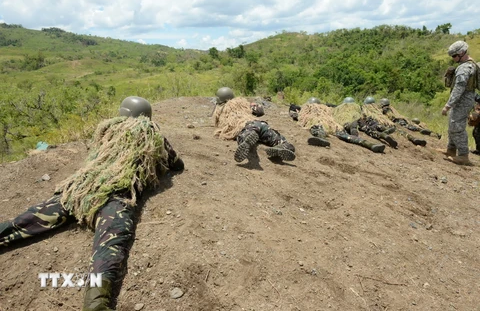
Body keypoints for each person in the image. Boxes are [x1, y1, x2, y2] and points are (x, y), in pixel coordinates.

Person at [0, 96, 184, 310]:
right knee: (110, 247)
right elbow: (176, 163)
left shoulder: (106, 130)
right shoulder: (151, 133)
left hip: (81, 189)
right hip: (115, 197)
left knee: (30, 218)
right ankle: (96, 304)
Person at [213, 87, 296, 162]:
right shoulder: (242, 103)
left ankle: (247, 141)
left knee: (245, 135)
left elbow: (219, 123)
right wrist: (252, 105)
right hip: (259, 124)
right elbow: (260, 111)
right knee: (277, 138)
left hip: (246, 126)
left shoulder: (220, 109)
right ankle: (283, 145)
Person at [296, 97, 385, 153]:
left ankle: (322, 138)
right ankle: (370, 144)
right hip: (334, 125)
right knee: (346, 135)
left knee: (317, 127)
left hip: (321, 124)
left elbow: (299, 116)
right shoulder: (326, 109)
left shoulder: (307, 109)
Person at [440, 40, 477, 165]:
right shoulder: (466, 65)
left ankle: (463, 155)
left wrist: (448, 105)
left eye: (455, 56)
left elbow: (458, 88)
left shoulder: (465, 68)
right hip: (463, 99)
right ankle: (451, 150)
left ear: (462, 52)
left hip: (463, 100)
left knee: (457, 127)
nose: (454, 58)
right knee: (452, 123)